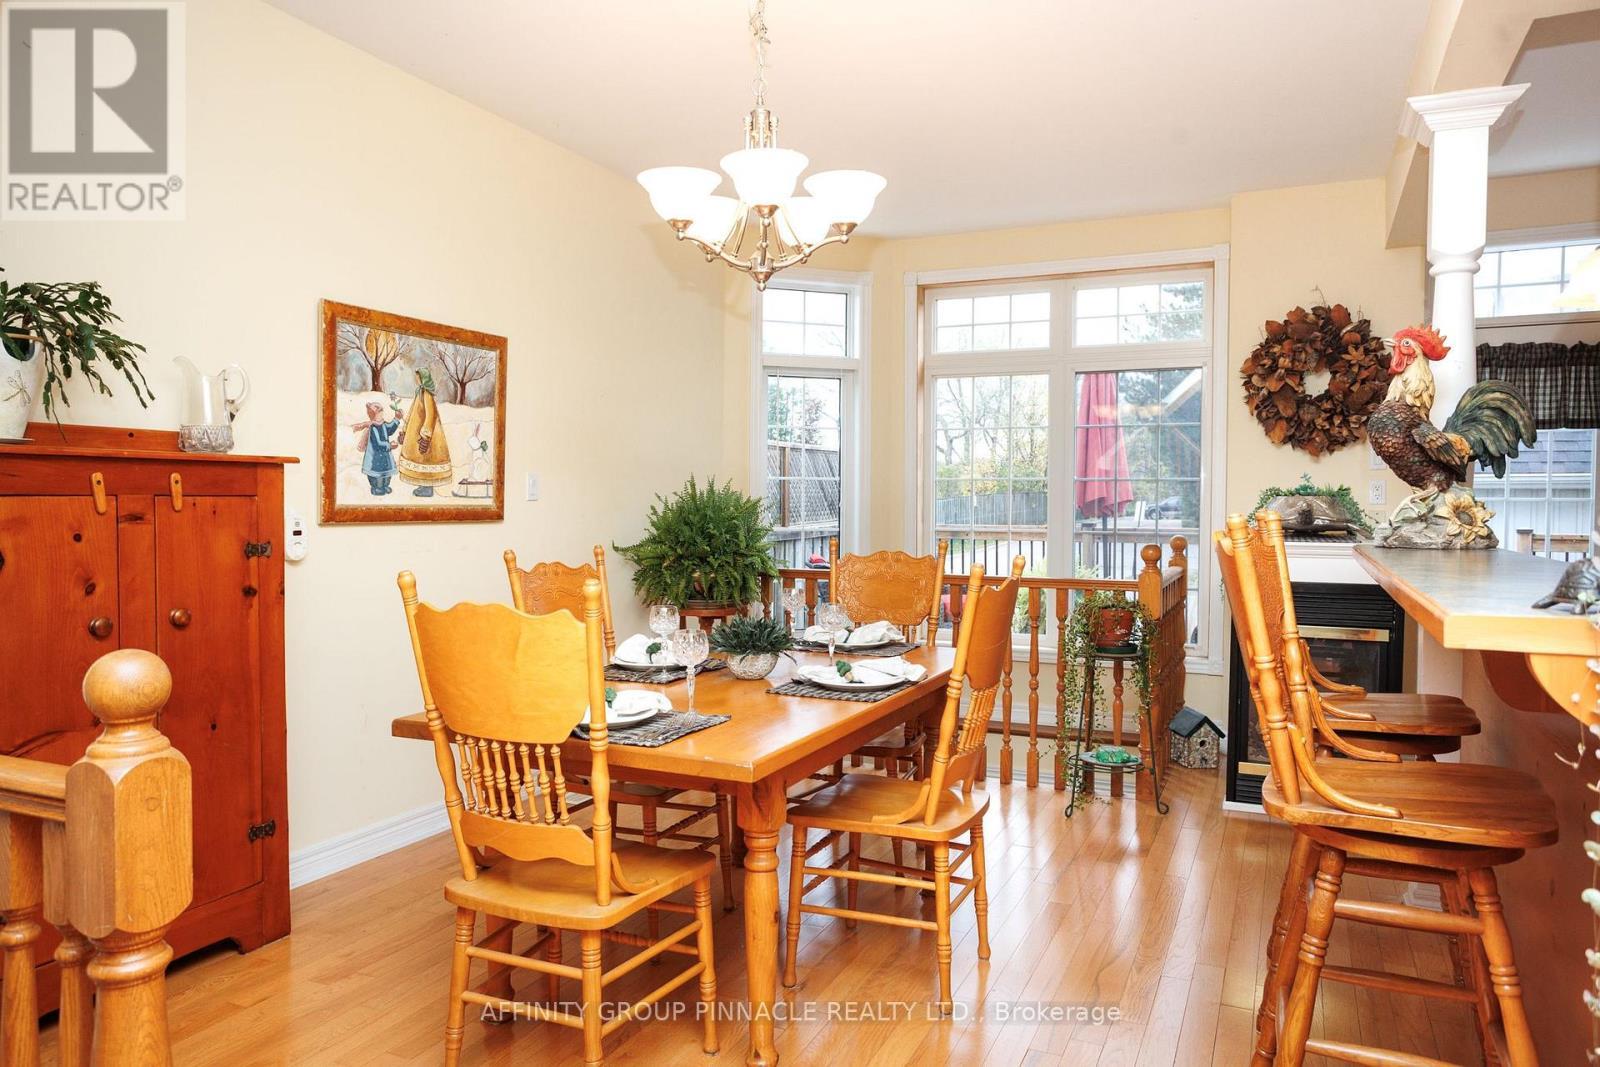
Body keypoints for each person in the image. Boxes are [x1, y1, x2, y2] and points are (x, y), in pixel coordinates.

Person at [397, 368, 453, 497]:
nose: (416, 379)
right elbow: (412, 413)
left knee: (427, 458)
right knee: (421, 459)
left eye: (418, 377)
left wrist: (426, 436)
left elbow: (431, 415)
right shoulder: (420, 392)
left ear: (423, 378)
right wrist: (404, 432)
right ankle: (423, 485)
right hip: (416, 430)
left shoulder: (427, 394)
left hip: (426, 433)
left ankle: (427, 488)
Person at [351, 398, 401, 495]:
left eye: (382, 413)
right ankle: (377, 488)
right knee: (377, 475)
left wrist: (396, 419)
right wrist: (389, 445)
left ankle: (385, 485)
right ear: (374, 415)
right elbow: (378, 444)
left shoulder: (382, 424)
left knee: (386, 473)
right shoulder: (374, 428)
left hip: (385, 456)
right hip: (375, 458)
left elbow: (390, 429)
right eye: (379, 414)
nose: (382, 415)